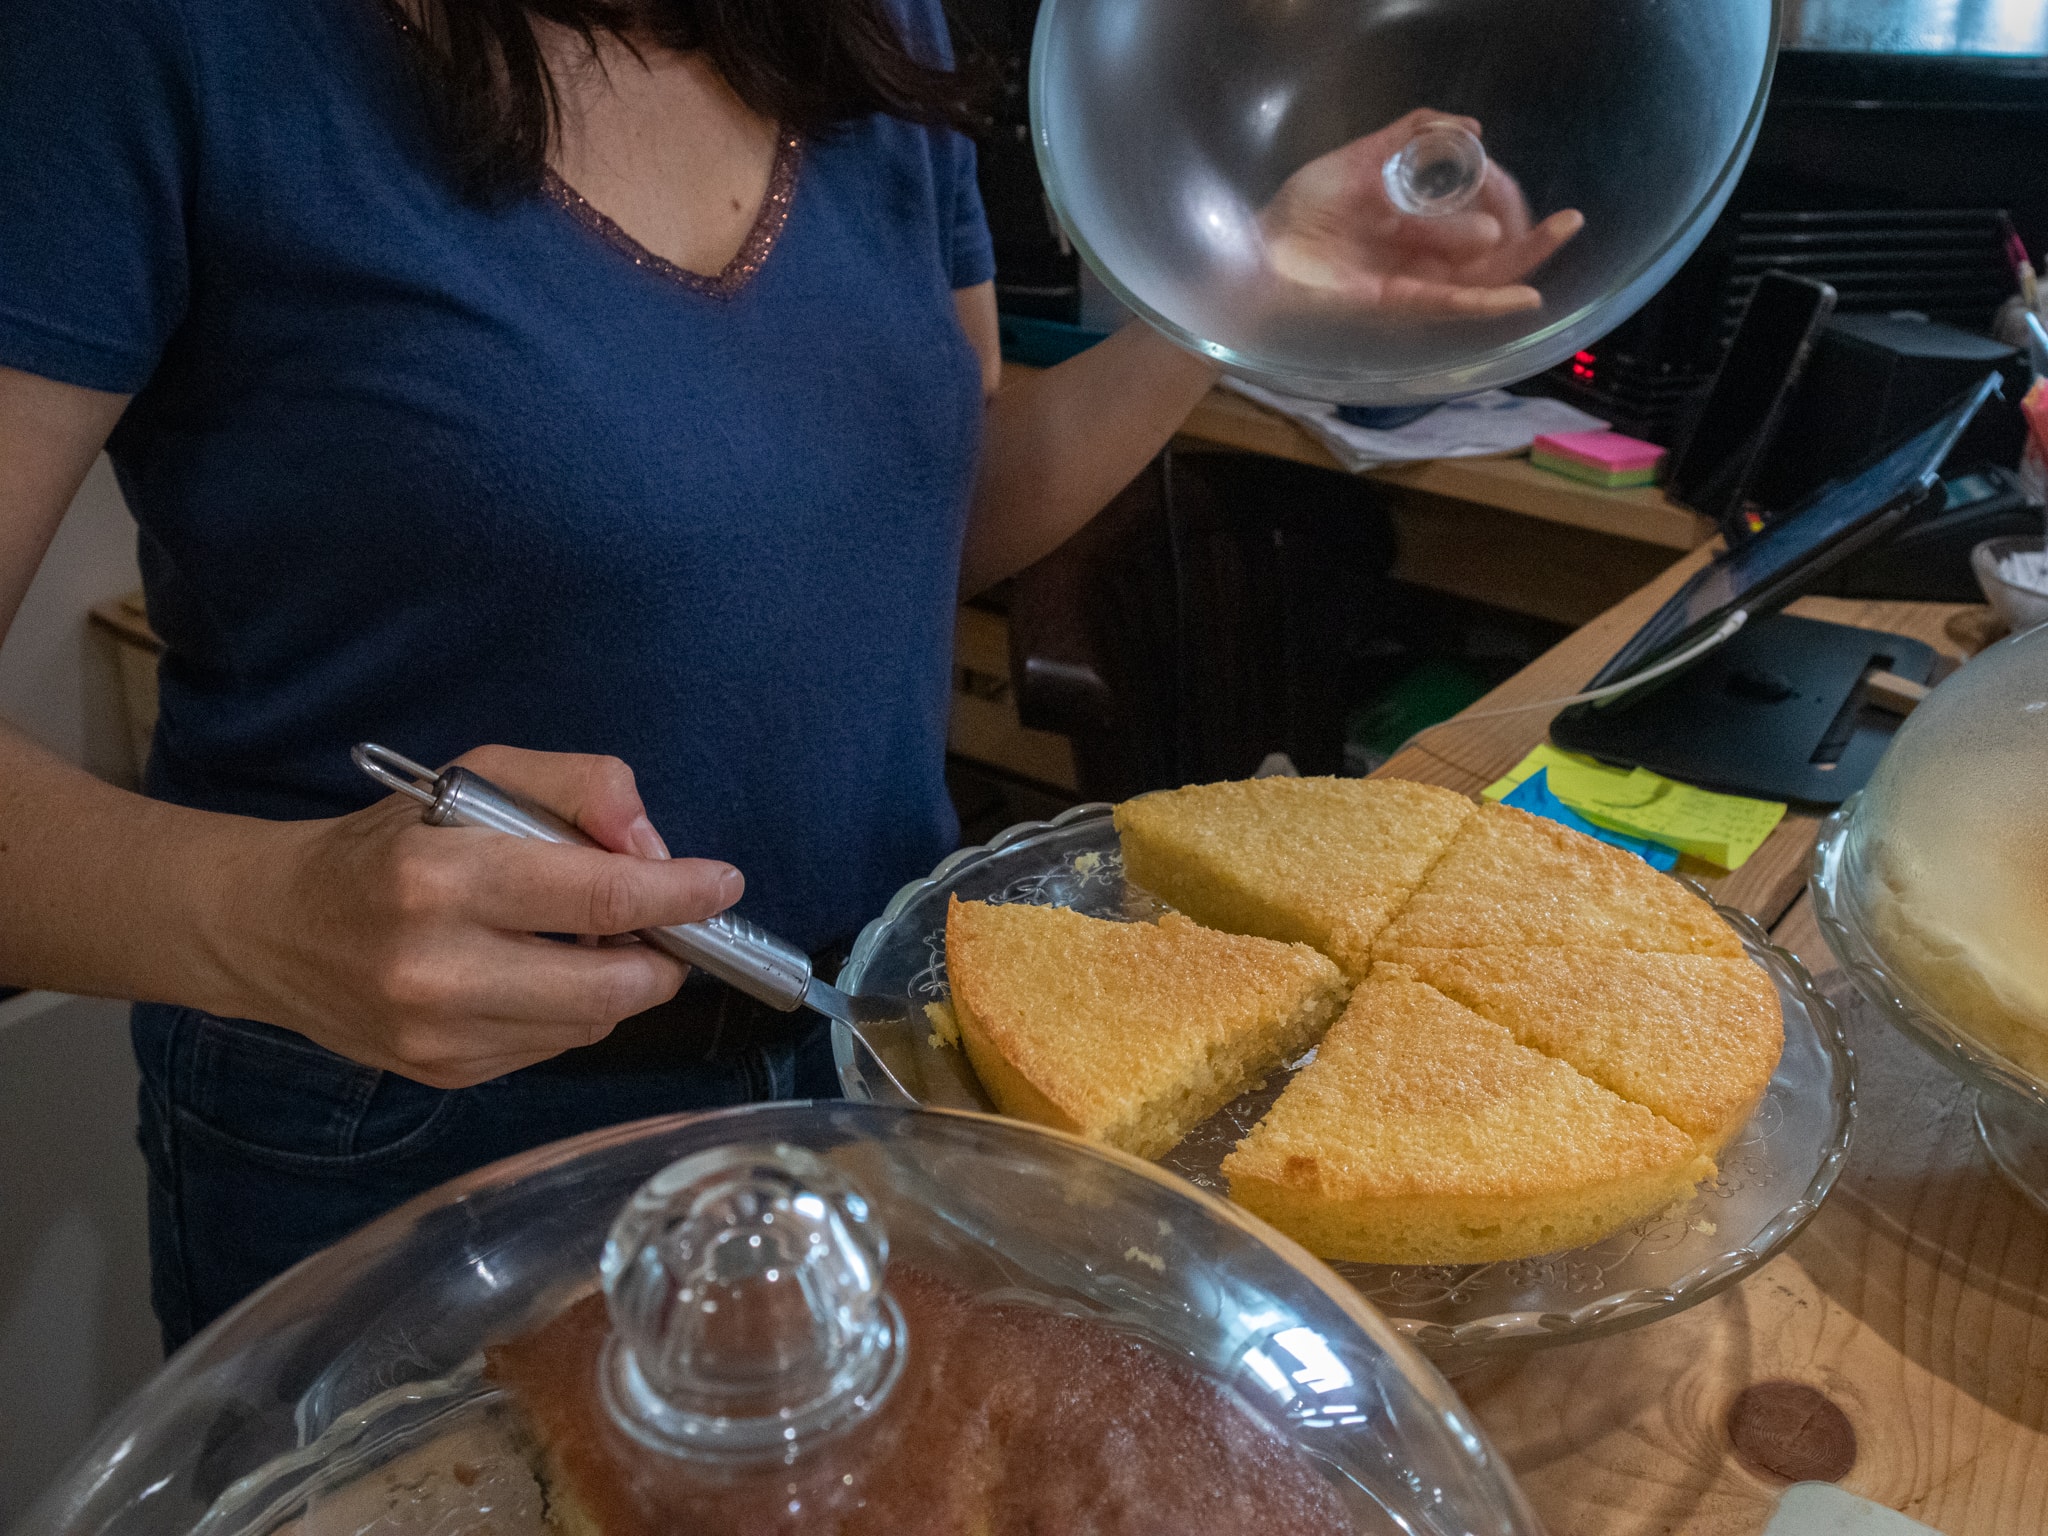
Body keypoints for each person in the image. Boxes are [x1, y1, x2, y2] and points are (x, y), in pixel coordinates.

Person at [0, 0, 1578, 1350]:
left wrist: (1243, 296)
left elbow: (936, 508)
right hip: (407, 1137)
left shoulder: (872, 24)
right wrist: (269, 916)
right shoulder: (144, 39)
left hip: (881, 1057)